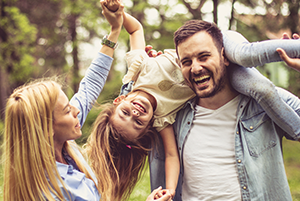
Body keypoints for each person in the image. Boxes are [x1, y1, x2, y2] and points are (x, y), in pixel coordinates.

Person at [87, 1, 300, 201]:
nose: (135, 113)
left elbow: (135, 31)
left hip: (228, 48)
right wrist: (168, 191)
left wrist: (118, 17)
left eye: (204, 57)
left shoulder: (137, 70)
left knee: (256, 78)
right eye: (187, 62)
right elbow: (166, 154)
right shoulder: (168, 119)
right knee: (261, 89)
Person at [150, 20, 300, 200]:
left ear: (224, 56)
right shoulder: (174, 115)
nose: (196, 68)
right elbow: (124, 127)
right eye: (187, 61)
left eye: (204, 57)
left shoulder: (263, 103)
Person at [2, 3, 123, 200]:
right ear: (46, 128)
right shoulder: (48, 193)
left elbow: (89, 86)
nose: (76, 111)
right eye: (67, 110)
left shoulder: (63, 142)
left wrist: (114, 31)